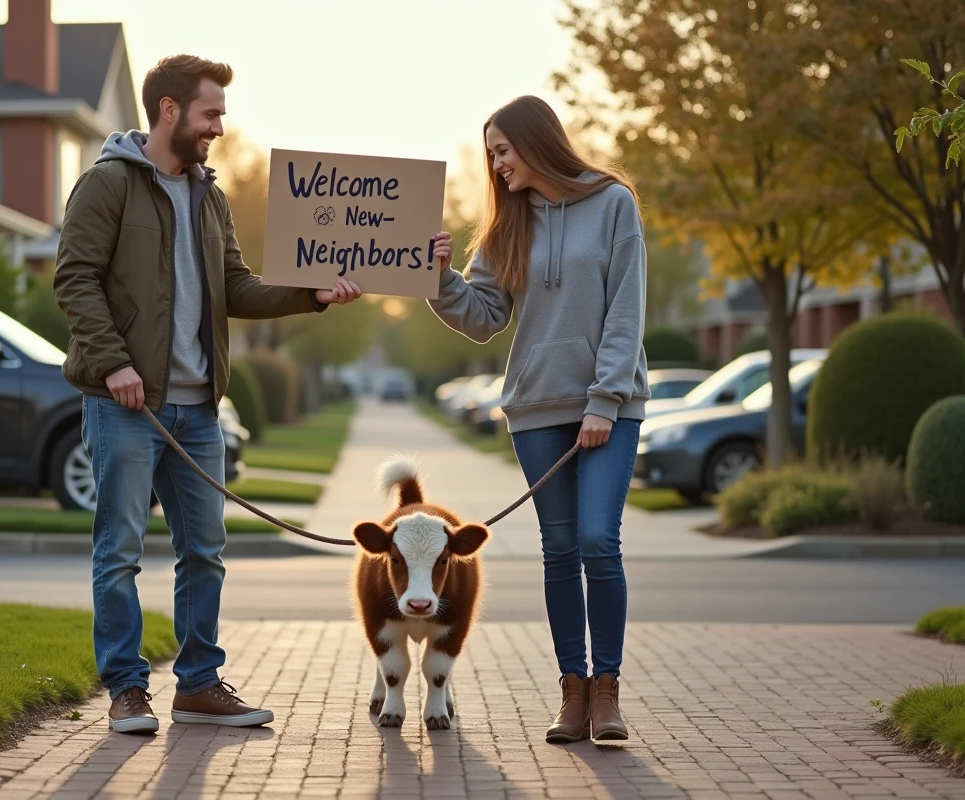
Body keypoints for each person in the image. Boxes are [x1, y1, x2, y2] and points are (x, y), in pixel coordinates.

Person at [54, 54, 362, 735]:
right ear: (169, 110)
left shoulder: (208, 196)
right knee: (120, 550)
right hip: (124, 405)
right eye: (210, 113)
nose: (220, 126)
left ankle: (197, 685)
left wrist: (310, 294)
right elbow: (74, 279)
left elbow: (238, 287)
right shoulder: (107, 187)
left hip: (198, 410)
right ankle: (128, 690)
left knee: (206, 552)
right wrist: (113, 366)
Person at [426, 95, 649, 743]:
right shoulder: (506, 225)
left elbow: (625, 311)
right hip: (535, 408)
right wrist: (438, 276)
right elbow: (482, 316)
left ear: (537, 142)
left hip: (608, 406)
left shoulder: (614, 204)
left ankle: (607, 691)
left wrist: (605, 401)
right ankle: (572, 693)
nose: (495, 166)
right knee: (558, 550)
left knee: (598, 542)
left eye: (503, 151)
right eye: (489, 154)